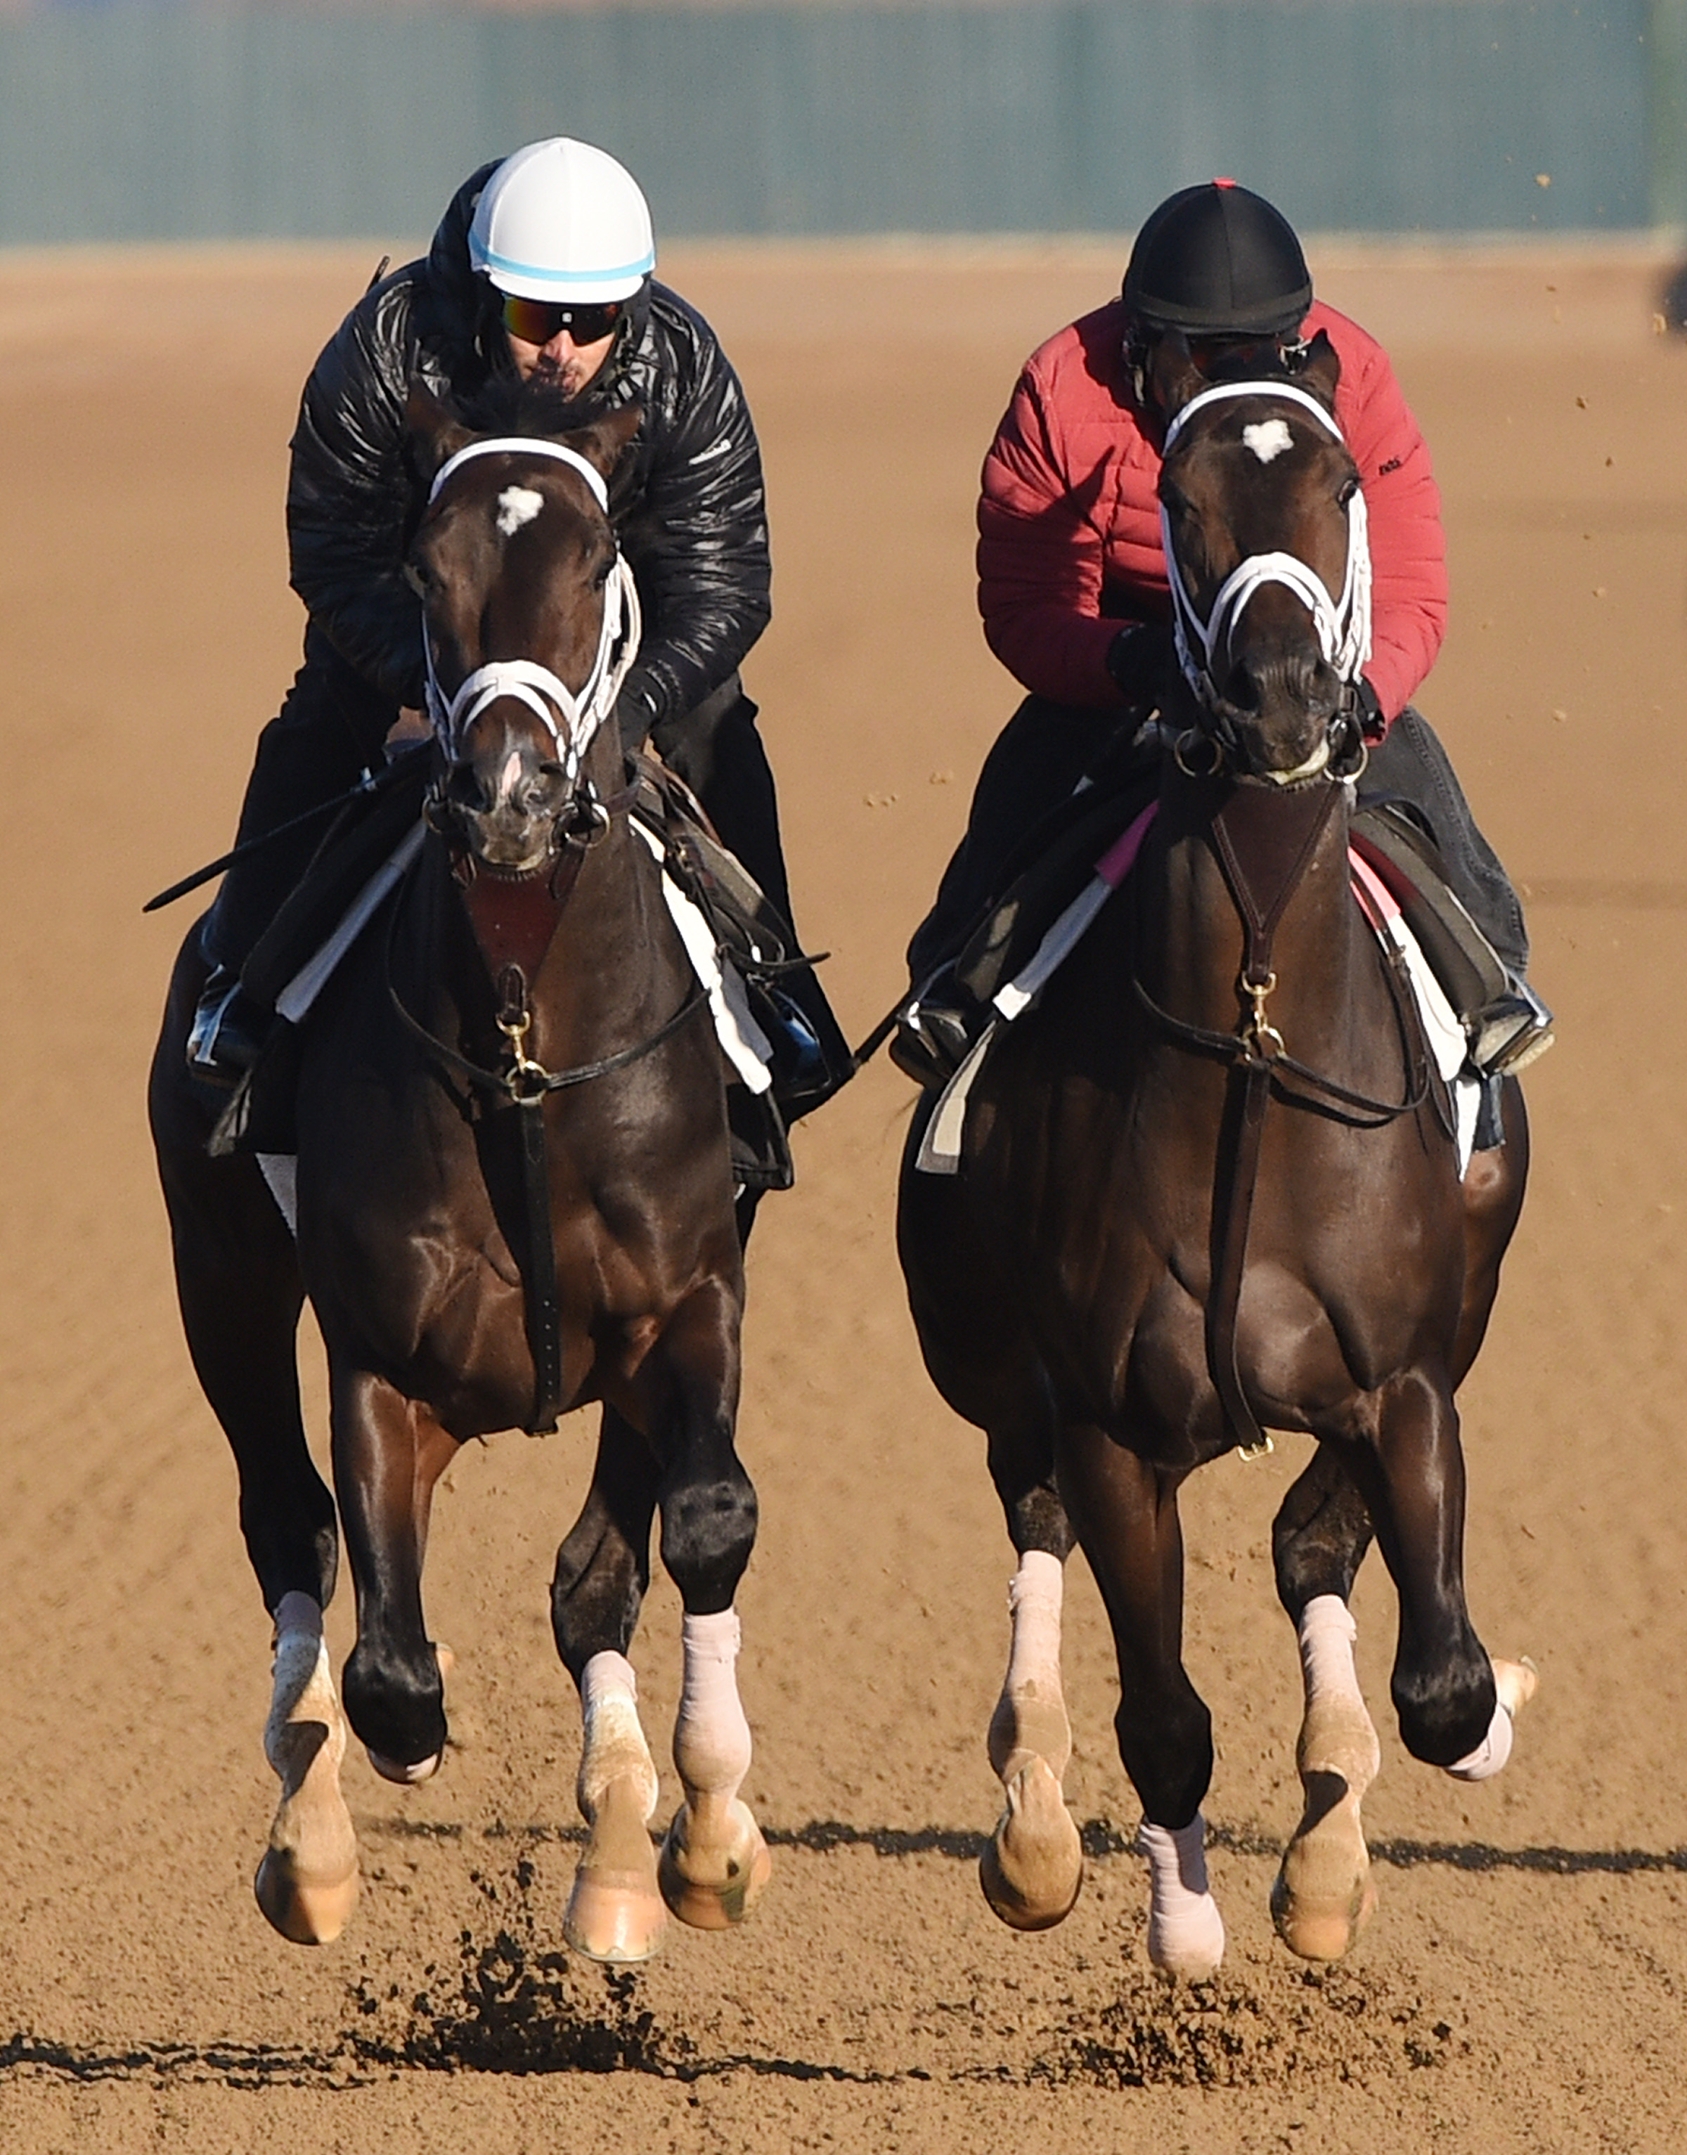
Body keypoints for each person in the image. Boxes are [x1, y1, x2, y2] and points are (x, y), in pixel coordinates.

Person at [189, 135, 850, 1119]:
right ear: (489, 295)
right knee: (319, 721)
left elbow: (722, 585)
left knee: (721, 729)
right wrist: (445, 690)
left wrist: (626, 709)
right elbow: (334, 553)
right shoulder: (383, 350)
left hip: (616, 650)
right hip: (435, 639)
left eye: (597, 319)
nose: (565, 347)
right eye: (539, 315)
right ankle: (243, 988)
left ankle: (778, 988)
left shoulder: (683, 365)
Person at [898, 178, 1551, 1089]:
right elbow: (1024, 607)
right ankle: (956, 997)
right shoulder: (1060, 386)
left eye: (1263, 353)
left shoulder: (1351, 372)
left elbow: (1409, 590)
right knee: (1010, 828)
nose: (1237, 373)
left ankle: (1490, 993)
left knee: (1436, 819)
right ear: (1139, 350)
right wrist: (1131, 662)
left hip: (1313, 664)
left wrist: (1362, 695)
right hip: (1135, 657)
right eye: (1202, 357)